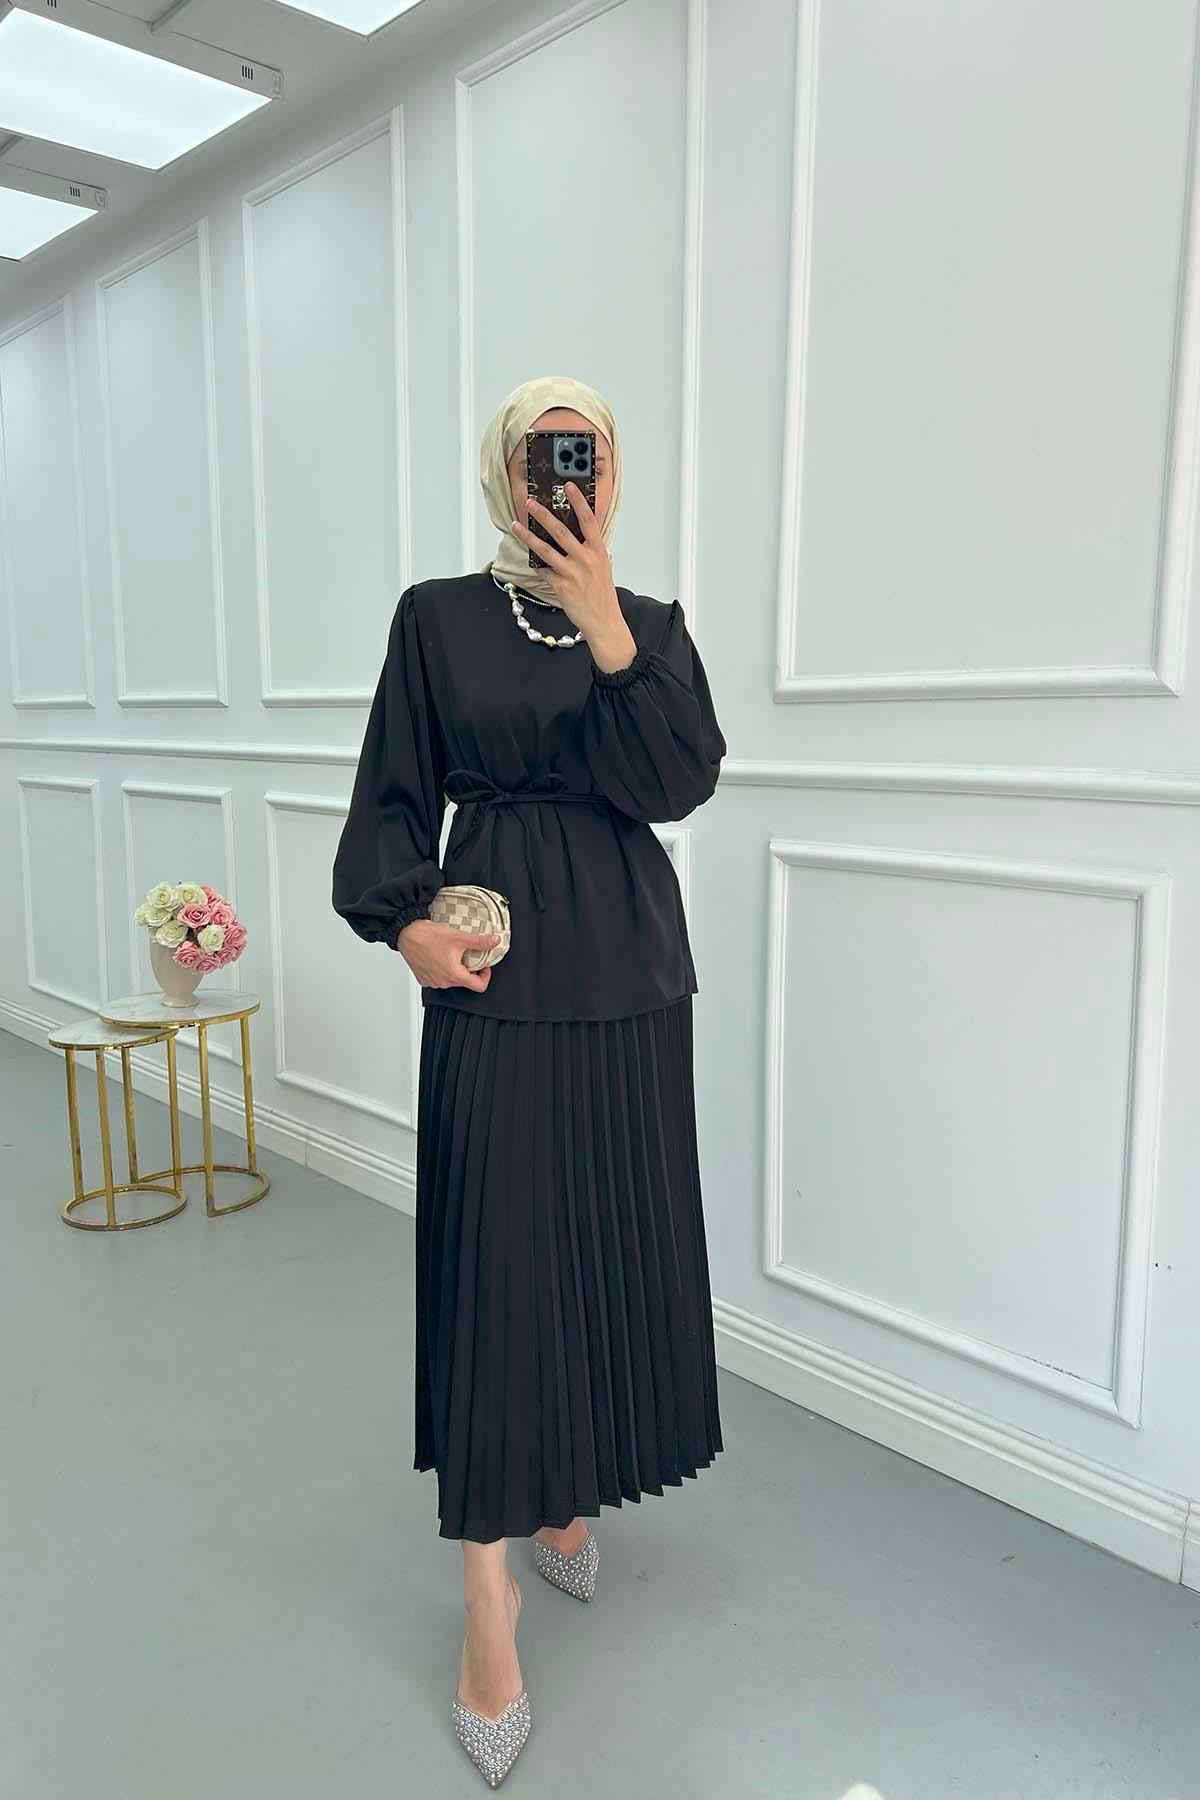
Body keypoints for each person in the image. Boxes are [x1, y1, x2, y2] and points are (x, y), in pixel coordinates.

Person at [331, 374, 726, 1787]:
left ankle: (569, 1491)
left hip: (629, 980)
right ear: (503, 471)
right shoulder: (436, 617)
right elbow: (392, 790)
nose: (569, 476)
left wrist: (608, 617)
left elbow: (679, 783)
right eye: (545, 456)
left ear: (614, 474)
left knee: (607, 1247)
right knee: (499, 1267)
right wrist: (405, 927)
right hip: (492, 976)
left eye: (591, 455)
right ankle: (487, 1596)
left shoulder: (652, 628)